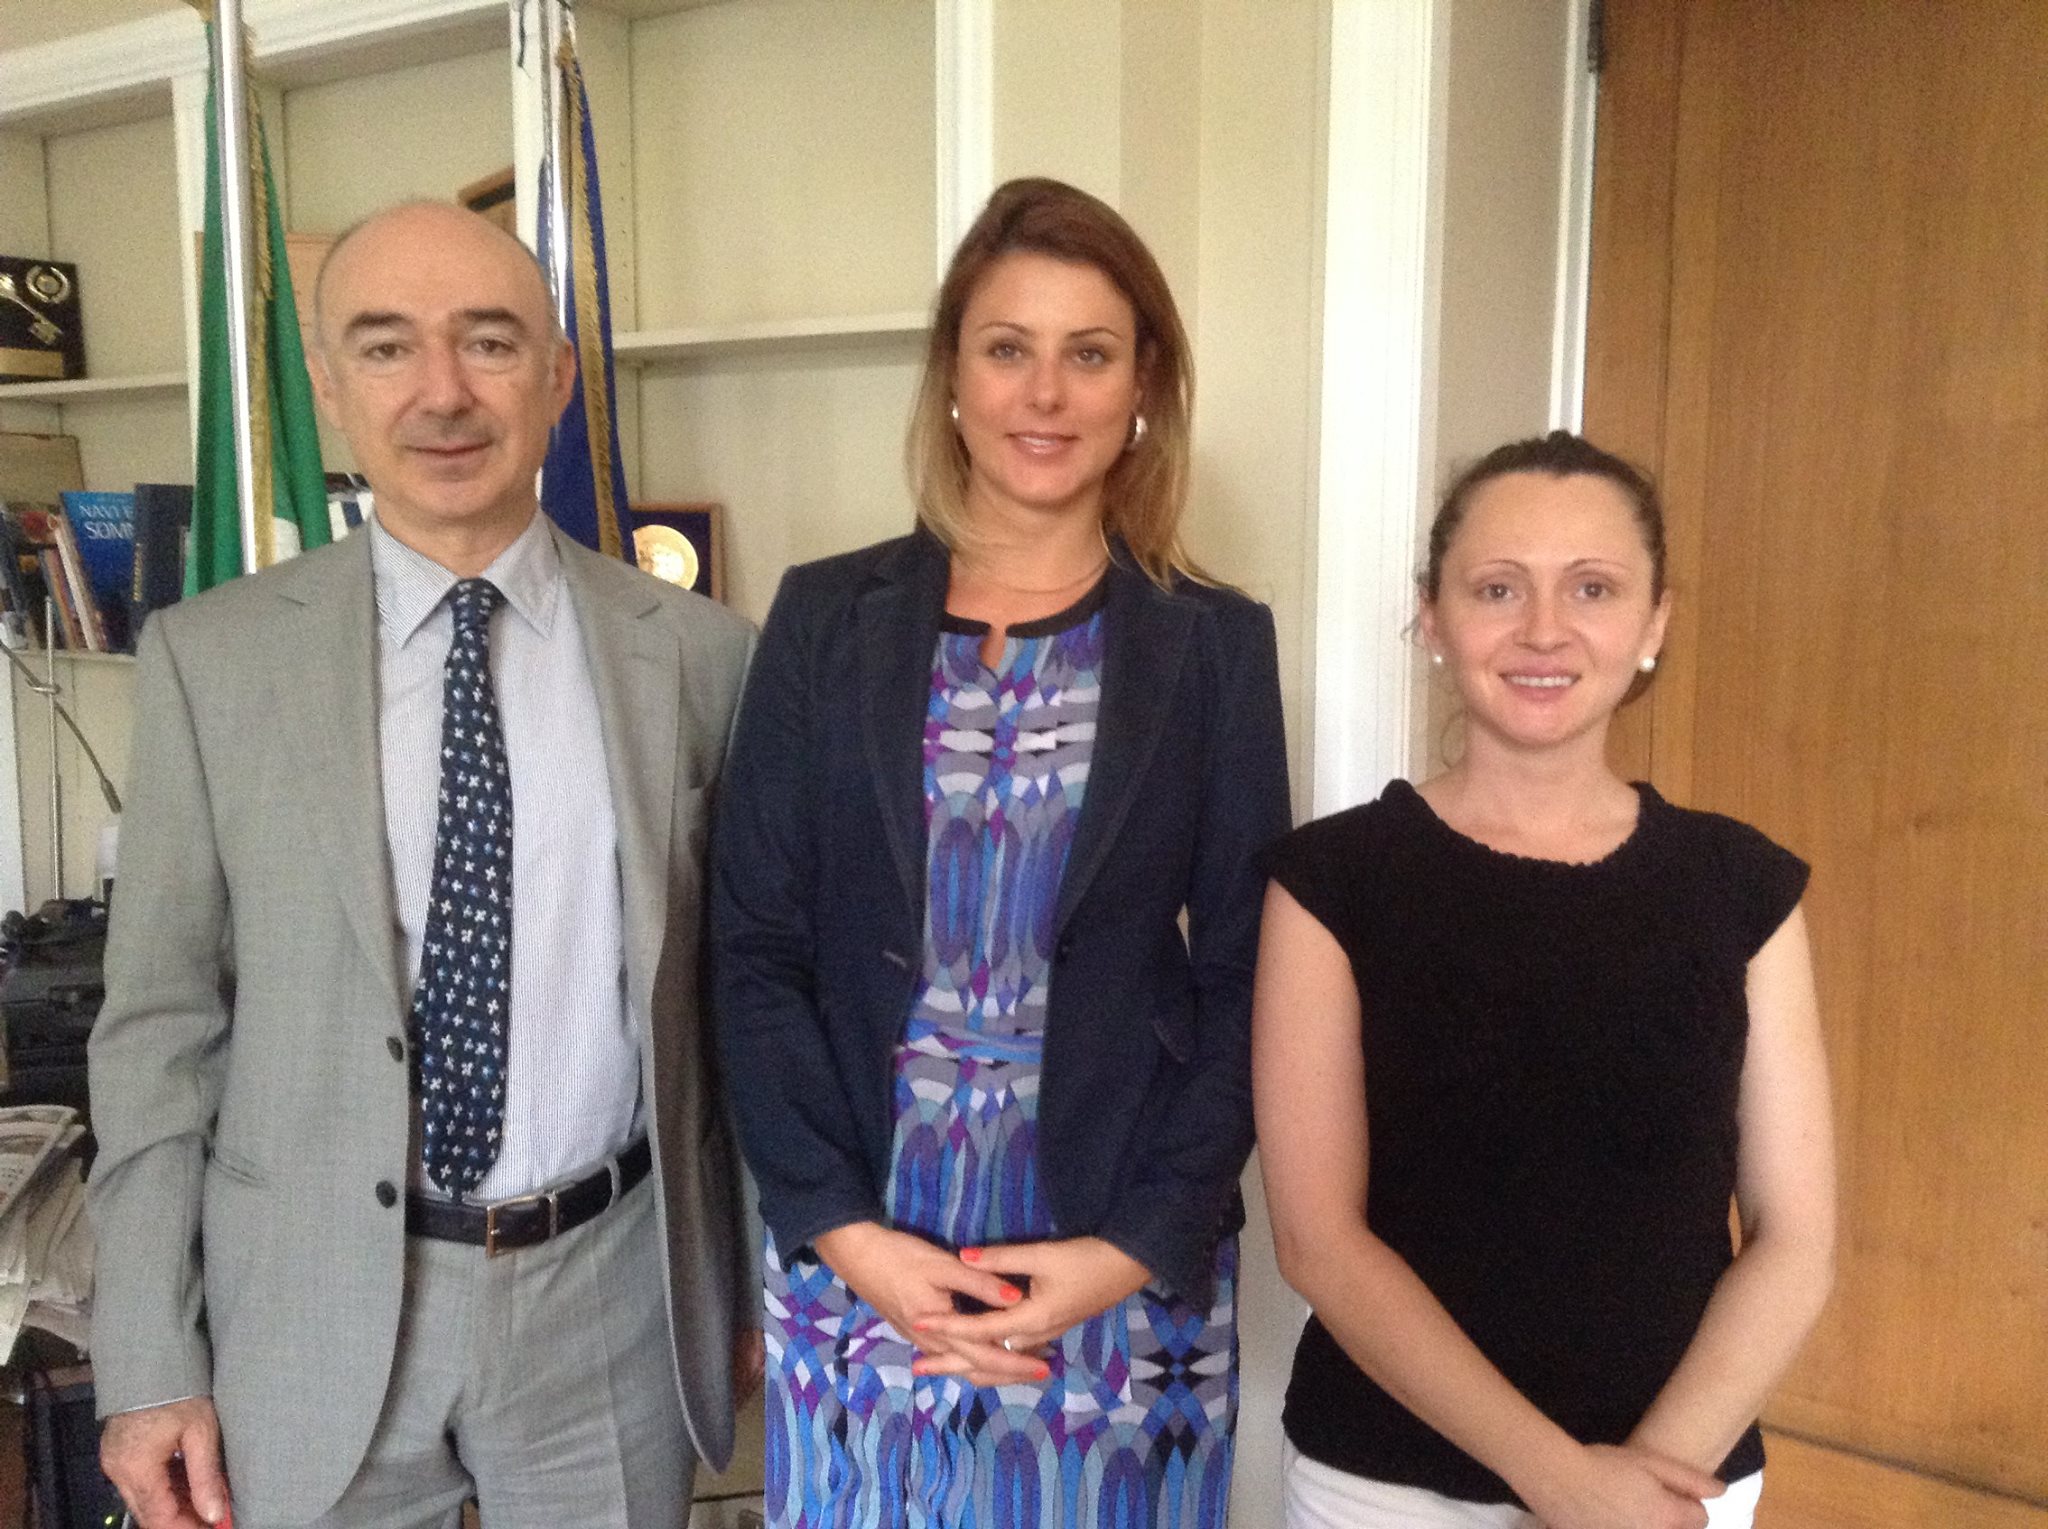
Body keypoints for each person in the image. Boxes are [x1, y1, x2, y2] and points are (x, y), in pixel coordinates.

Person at [87, 201, 758, 1529]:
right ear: (329, 387)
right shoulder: (210, 661)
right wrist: (150, 1358)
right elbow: (160, 1028)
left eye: (490, 342)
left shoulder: (701, 656)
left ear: (557, 377)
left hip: (609, 1298)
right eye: (387, 347)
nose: (442, 392)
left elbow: (739, 1007)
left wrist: (748, 1281)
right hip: (306, 1305)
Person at [711, 177, 1291, 1528]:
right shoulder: (824, 617)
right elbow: (753, 947)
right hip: (863, 1244)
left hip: (1114, 1261)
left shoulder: (1213, 644)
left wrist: (1131, 1247)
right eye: (1007, 348)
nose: (1045, 393)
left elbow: (1250, 978)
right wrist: (850, 1237)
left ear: (1143, 385)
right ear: (953, 378)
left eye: (1089, 353)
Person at [1252, 431, 1837, 1529]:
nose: (1543, 629)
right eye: (1497, 588)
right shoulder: (1332, 880)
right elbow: (1318, 1239)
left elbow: (1795, 1238)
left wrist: (1644, 1483)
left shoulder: (1741, 884)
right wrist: (1566, 1484)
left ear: (1653, 621)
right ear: (1432, 616)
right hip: (1386, 1486)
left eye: (1593, 588)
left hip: (1678, 1483)